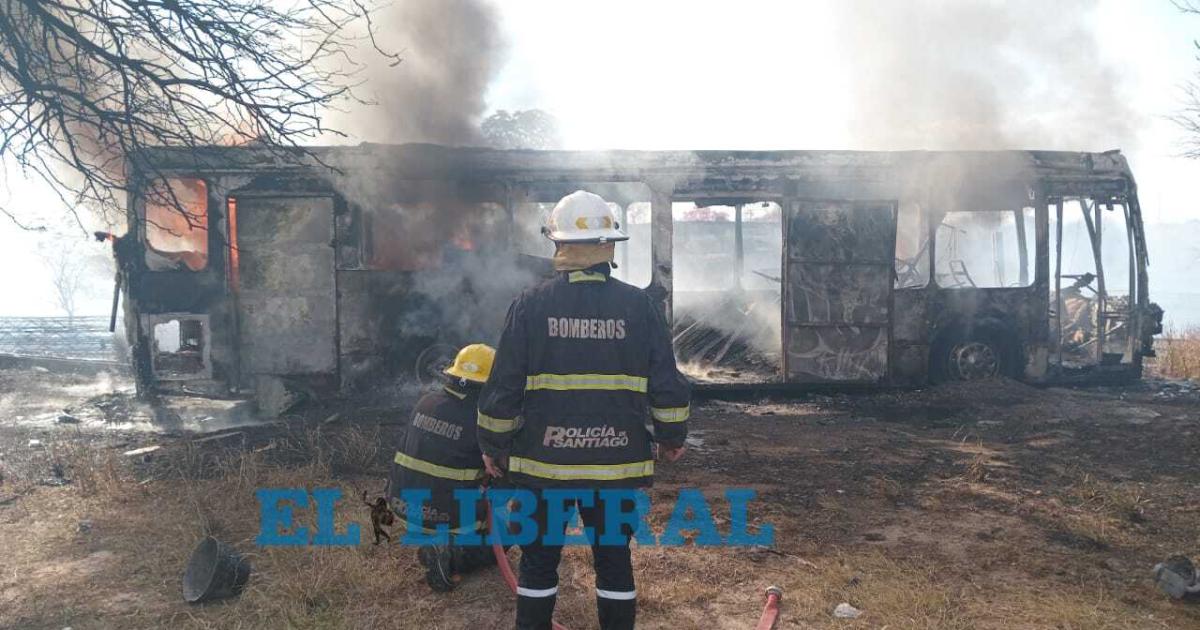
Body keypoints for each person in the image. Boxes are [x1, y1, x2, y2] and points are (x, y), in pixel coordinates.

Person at [477, 190, 692, 630]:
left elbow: (502, 388)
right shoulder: (639, 307)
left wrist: (492, 446)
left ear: (559, 247)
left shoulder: (530, 305)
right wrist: (672, 437)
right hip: (614, 467)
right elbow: (667, 384)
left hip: (544, 464)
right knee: (614, 561)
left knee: (538, 562)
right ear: (609, 248)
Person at [389, 343, 499, 591]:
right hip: (444, 516)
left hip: (403, 507)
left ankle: (437, 541)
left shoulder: (425, 401)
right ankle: (454, 554)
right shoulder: (483, 420)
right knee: (513, 529)